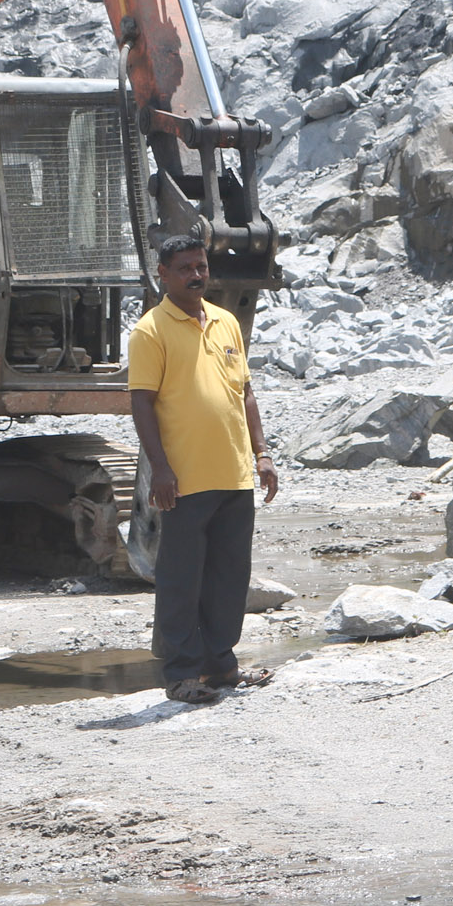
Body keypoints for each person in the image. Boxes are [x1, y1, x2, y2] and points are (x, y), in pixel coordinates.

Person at [129, 235, 279, 705]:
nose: (197, 275)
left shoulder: (226, 322)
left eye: (202, 266)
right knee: (181, 578)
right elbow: (142, 404)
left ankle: (221, 665)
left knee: (229, 575)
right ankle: (181, 674)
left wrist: (262, 454)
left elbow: (246, 393)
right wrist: (160, 469)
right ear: (163, 274)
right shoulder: (150, 331)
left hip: (234, 474)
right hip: (185, 478)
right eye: (185, 268)